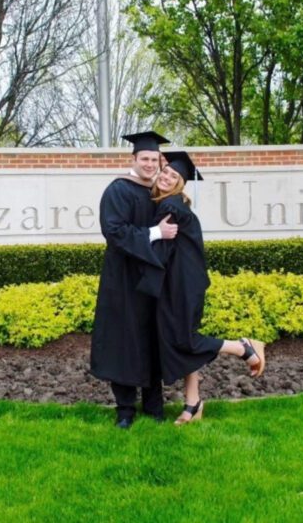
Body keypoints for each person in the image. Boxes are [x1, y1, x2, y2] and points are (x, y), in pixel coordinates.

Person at [137, 151, 266, 426]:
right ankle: (193, 404)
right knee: (185, 339)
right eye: (166, 172)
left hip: (181, 286)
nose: (167, 177)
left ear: (181, 183)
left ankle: (243, 347)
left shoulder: (169, 207)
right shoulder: (178, 204)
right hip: (185, 283)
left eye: (174, 175)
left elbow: (160, 252)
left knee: (183, 341)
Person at [90, 131, 179, 429]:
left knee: (153, 338)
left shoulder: (160, 192)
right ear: (134, 159)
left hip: (153, 280)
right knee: (124, 341)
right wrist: (155, 233)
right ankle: (125, 409)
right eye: (145, 159)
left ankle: (154, 406)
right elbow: (113, 232)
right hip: (124, 280)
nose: (150, 164)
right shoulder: (119, 190)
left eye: (155, 159)